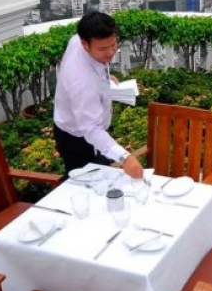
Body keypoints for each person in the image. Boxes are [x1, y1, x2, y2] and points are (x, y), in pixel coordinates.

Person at [53, 12, 144, 179]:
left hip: (87, 126)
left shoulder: (77, 40)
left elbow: (93, 63)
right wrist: (125, 158)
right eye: (103, 49)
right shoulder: (82, 82)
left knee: (103, 168)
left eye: (113, 45)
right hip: (75, 137)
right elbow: (91, 129)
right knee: (85, 183)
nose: (110, 53)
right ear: (85, 44)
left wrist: (104, 76)